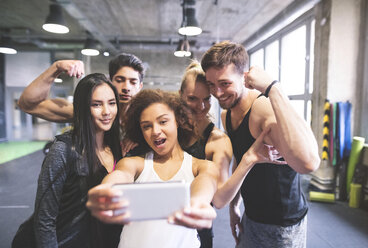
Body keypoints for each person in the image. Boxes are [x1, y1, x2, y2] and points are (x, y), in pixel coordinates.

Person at [200, 41, 320, 247]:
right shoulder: (227, 113)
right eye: (211, 85)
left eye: (225, 83)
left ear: (244, 77)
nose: (217, 92)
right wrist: (235, 205)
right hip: (252, 215)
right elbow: (240, 155)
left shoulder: (264, 109)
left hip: (282, 224)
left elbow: (308, 163)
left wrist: (274, 87)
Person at [86, 89, 219, 248]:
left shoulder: (202, 166)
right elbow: (120, 175)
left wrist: (199, 203)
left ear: (177, 120)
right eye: (146, 126)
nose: (155, 131)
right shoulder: (135, 164)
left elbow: (206, 182)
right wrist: (106, 190)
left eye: (163, 122)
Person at [17, 73, 122, 247]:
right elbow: (45, 220)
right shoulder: (63, 150)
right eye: (96, 104)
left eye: (111, 103)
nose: (107, 112)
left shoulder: (117, 148)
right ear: (82, 107)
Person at [17, 53, 144, 155]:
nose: (126, 87)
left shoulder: (145, 118)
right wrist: (56, 68)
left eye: (133, 82)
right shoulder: (90, 112)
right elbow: (28, 104)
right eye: (120, 80)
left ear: (140, 86)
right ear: (110, 82)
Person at [179, 61, 233, 248]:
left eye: (207, 99)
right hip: (166, 219)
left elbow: (219, 200)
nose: (201, 106)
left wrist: (248, 161)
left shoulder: (218, 141)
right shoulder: (169, 129)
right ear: (181, 95)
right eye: (193, 98)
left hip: (198, 228)